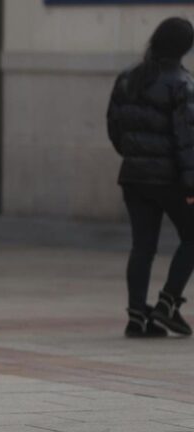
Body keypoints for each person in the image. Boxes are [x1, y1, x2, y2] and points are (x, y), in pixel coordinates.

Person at [107, 17, 194, 338]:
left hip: (133, 176)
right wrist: (190, 185)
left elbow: (114, 128)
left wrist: (134, 156)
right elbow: (187, 141)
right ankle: (167, 305)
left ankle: (136, 317)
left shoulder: (128, 78)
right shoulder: (182, 84)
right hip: (169, 179)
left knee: (142, 246)